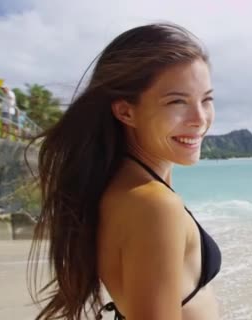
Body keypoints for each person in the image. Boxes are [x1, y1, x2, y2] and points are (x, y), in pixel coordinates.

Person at [26, 23, 221, 320]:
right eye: (177, 102)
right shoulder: (154, 205)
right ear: (126, 111)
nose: (200, 119)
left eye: (206, 99)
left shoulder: (122, 183)